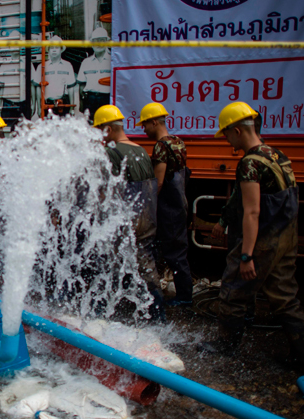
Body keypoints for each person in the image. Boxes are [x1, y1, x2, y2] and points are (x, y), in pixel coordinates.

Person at [199, 102, 304, 371]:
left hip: (263, 240)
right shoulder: (277, 155)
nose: (226, 140)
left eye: (226, 134)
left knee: (233, 290)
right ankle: (303, 358)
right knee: (285, 296)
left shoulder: (249, 163)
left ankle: (226, 344)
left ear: (237, 130)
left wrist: (247, 255)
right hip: (286, 237)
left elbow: (252, 212)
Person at [96, 104, 165, 322]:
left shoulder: (111, 152)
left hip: (125, 220)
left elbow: (105, 192)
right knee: (145, 265)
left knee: (110, 262)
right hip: (147, 217)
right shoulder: (142, 150)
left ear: (107, 129)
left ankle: (105, 312)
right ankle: (157, 313)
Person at [138, 102, 193, 307]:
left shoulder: (161, 146)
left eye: (145, 125)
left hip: (168, 207)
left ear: (154, 122)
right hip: (180, 204)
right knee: (179, 249)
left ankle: (184, 298)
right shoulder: (178, 141)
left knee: (174, 253)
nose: (144, 130)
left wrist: (146, 207)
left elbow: (159, 182)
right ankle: (185, 294)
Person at [34, 35, 77, 116]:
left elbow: (71, 88)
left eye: (56, 48)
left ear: (61, 50)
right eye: (52, 48)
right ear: (48, 50)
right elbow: (38, 88)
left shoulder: (68, 65)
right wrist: (39, 108)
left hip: (63, 104)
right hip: (47, 104)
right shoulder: (41, 66)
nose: (54, 50)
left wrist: (72, 108)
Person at [78, 27, 111, 121]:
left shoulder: (113, 60)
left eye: (102, 40)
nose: (98, 43)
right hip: (90, 100)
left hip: (107, 99)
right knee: (91, 127)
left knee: (107, 126)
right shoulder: (86, 62)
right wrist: (82, 105)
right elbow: (81, 86)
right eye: (95, 40)